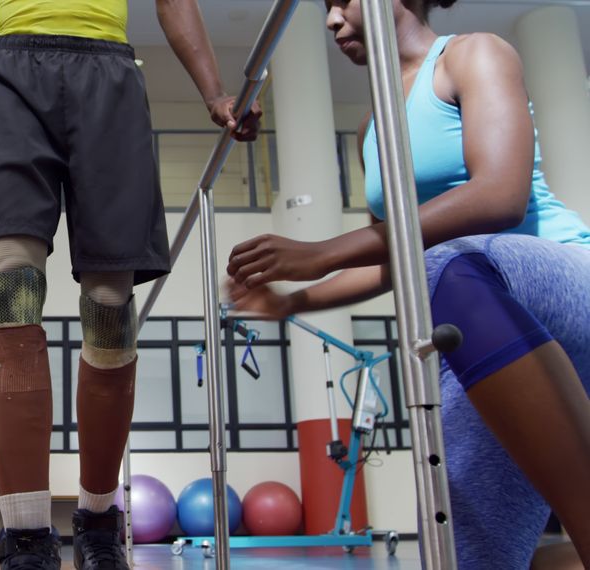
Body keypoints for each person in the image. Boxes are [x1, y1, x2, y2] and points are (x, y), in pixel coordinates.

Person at [0, 1, 260, 568]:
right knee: (10, 282)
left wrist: (215, 94)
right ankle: (27, 531)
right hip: (15, 69)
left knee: (111, 303)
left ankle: (99, 517)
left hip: (109, 72)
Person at [225, 0, 590, 568]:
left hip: (557, 280)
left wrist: (322, 253)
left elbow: (500, 195)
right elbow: (394, 258)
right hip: (477, 314)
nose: (330, 20)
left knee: (445, 264)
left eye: (342, 0)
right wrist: (292, 301)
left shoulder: (473, 55)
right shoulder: (377, 128)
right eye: (323, 7)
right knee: (466, 548)